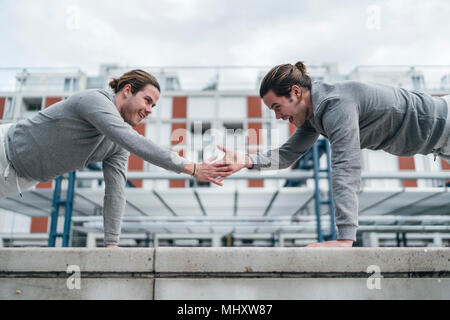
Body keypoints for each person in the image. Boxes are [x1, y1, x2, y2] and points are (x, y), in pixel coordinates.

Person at [217, 62, 450, 247]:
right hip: (440, 143)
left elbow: (346, 167)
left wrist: (345, 239)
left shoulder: (335, 104)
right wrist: (247, 160)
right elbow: (287, 155)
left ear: (295, 92)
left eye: (277, 107)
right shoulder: (314, 117)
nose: (277, 116)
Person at [0, 69, 233, 247]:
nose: (150, 110)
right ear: (128, 90)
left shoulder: (117, 147)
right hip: (4, 149)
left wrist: (111, 244)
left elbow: (115, 192)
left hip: (19, 180)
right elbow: (134, 141)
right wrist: (191, 168)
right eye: (147, 100)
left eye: (154, 105)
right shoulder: (96, 101)